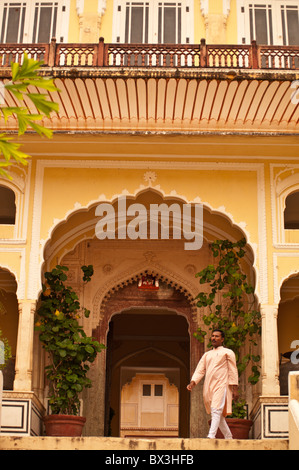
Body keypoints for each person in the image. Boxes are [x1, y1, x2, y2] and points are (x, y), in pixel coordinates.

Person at [187, 329, 239, 439]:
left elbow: (233, 370)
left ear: (222, 339)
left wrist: (235, 389)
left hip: (222, 384)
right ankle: (228, 436)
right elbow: (200, 369)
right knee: (217, 414)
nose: (214, 338)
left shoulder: (228, 352)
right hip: (209, 386)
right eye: (212, 336)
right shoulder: (207, 355)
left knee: (216, 409)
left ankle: (211, 435)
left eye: (217, 336)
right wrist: (193, 382)